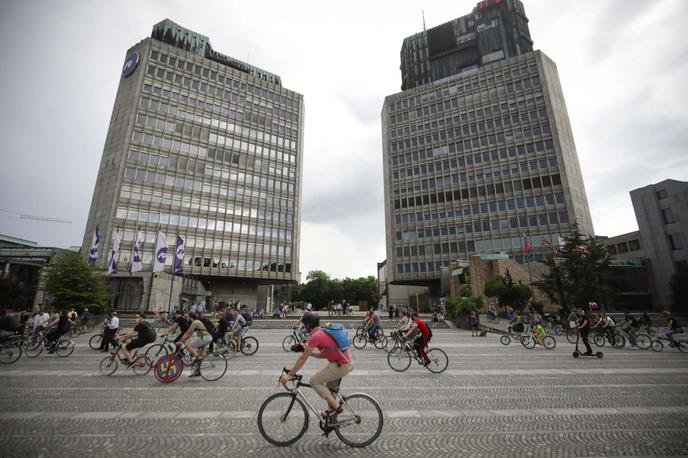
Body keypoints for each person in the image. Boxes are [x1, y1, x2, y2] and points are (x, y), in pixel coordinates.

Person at [280, 313, 353, 419]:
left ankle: (337, 407)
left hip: (341, 365)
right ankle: (332, 416)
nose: (304, 329)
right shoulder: (321, 332)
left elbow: (302, 359)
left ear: (309, 325)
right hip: (342, 363)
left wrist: (290, 374)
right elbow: (324, 354)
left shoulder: (316, 336)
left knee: (314, 381)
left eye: (304, 326)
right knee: (329, 389)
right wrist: (306, 351)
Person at [175, 312, 213, 377]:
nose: (186, 318)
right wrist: (183, 340)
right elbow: (189, 334)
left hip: (204, 338)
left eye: (187, 317)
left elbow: (188, 333)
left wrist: (180, 341)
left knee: (189, 346)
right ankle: (197, 372)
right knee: (198, 353)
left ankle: (198, 357)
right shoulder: (196, 322)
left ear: (191, 317)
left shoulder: (195, 322)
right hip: (208, 337)